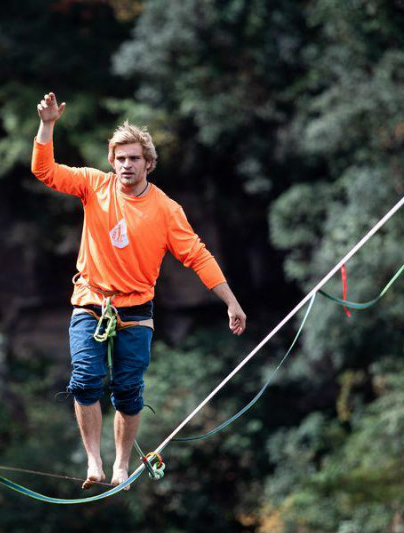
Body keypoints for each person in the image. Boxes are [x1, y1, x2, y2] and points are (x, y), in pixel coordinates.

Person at [32, 92, 246, 490]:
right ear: (111, 162)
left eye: (134, 158)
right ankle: (94, 462)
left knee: (128, 391)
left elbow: (198, 256)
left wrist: (231, 301)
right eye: (119, 158)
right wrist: (47, 126)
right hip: (91, 299)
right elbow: (46, 172)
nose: (125, 165)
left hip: (136, 308)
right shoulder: (94, 186)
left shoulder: (166, 209)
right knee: (85, 379)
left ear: (148, 163)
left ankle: (120, 465)